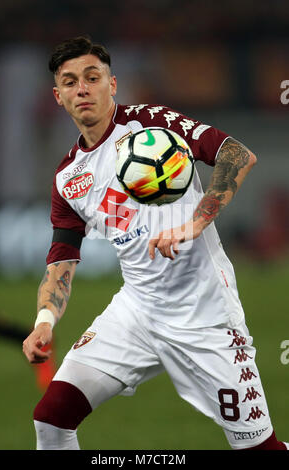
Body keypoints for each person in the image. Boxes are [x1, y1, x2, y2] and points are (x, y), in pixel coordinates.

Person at [22, 36, 287, 450]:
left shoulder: (155, 124)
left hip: (206, 314)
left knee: (259, 448)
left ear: (113, 84)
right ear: (58, 96)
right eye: (70, 82)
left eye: (93, 77)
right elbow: (61, 262)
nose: (83, 88)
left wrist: (194, 224)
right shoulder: (68, 179)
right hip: (138, 312)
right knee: (51, 419)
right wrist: (44, 323)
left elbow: (237, 154)